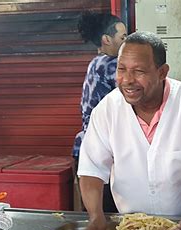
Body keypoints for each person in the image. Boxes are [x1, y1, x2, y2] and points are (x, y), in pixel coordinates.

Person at [77, 31, 181, 230]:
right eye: (121, 69)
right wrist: (96, 215)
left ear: (162, 72)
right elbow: (91, 169)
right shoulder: (107, 110)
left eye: (139, 71)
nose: (127, 80)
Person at [72, 11, 127, 212]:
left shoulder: (95, 63)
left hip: (87, 147)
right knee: (108, 217)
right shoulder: (109, 65)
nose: (127, 42)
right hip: (98, 150)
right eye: (123, 38)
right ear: (107, 39)